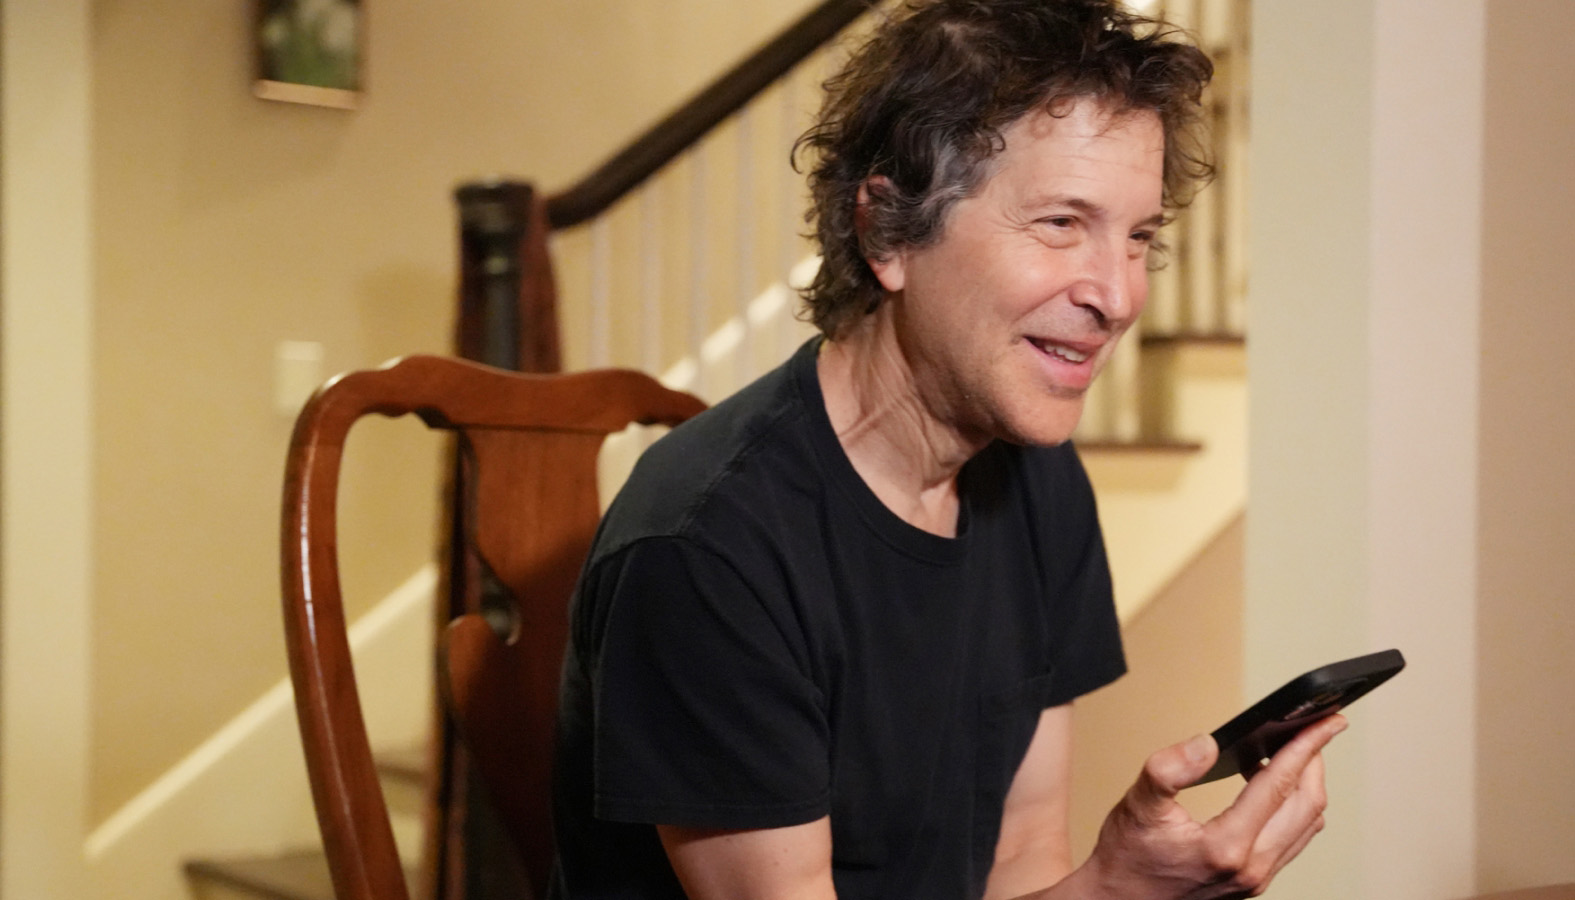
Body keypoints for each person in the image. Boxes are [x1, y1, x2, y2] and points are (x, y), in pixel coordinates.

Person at [550, 1, 1344, 898]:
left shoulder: (1040, 477)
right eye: (1059, 224)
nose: (1118, 296)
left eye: (1138, 237)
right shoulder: (710, 548)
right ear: (888, 232)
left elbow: (1018, 862)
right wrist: (1114, 891)